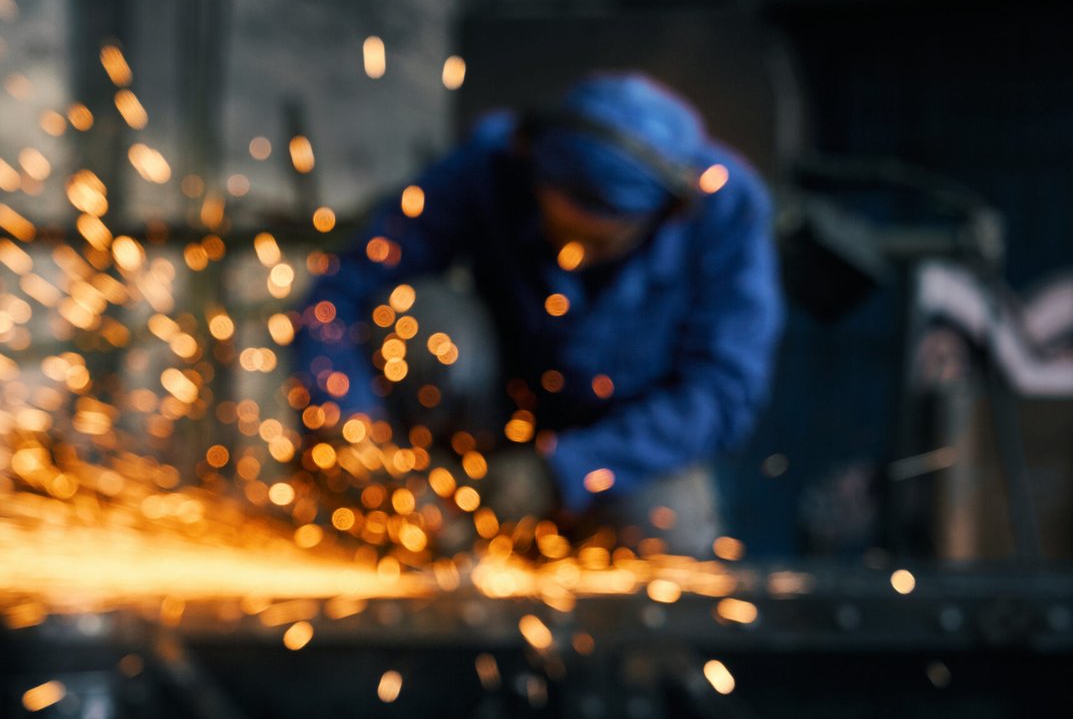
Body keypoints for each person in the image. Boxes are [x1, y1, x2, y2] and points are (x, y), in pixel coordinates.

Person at [294, 73, 784, 556]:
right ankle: (417, 525)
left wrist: (562, 470)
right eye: (560, 232)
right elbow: (340, 293)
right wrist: (349, 430)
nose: (575, 258)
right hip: (488, 418)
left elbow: (721, 393)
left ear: (664, 214)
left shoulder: (724, 207)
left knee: (668, 542)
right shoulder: (493, 162)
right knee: (416, 318)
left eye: (599, 243)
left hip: (625, 444)